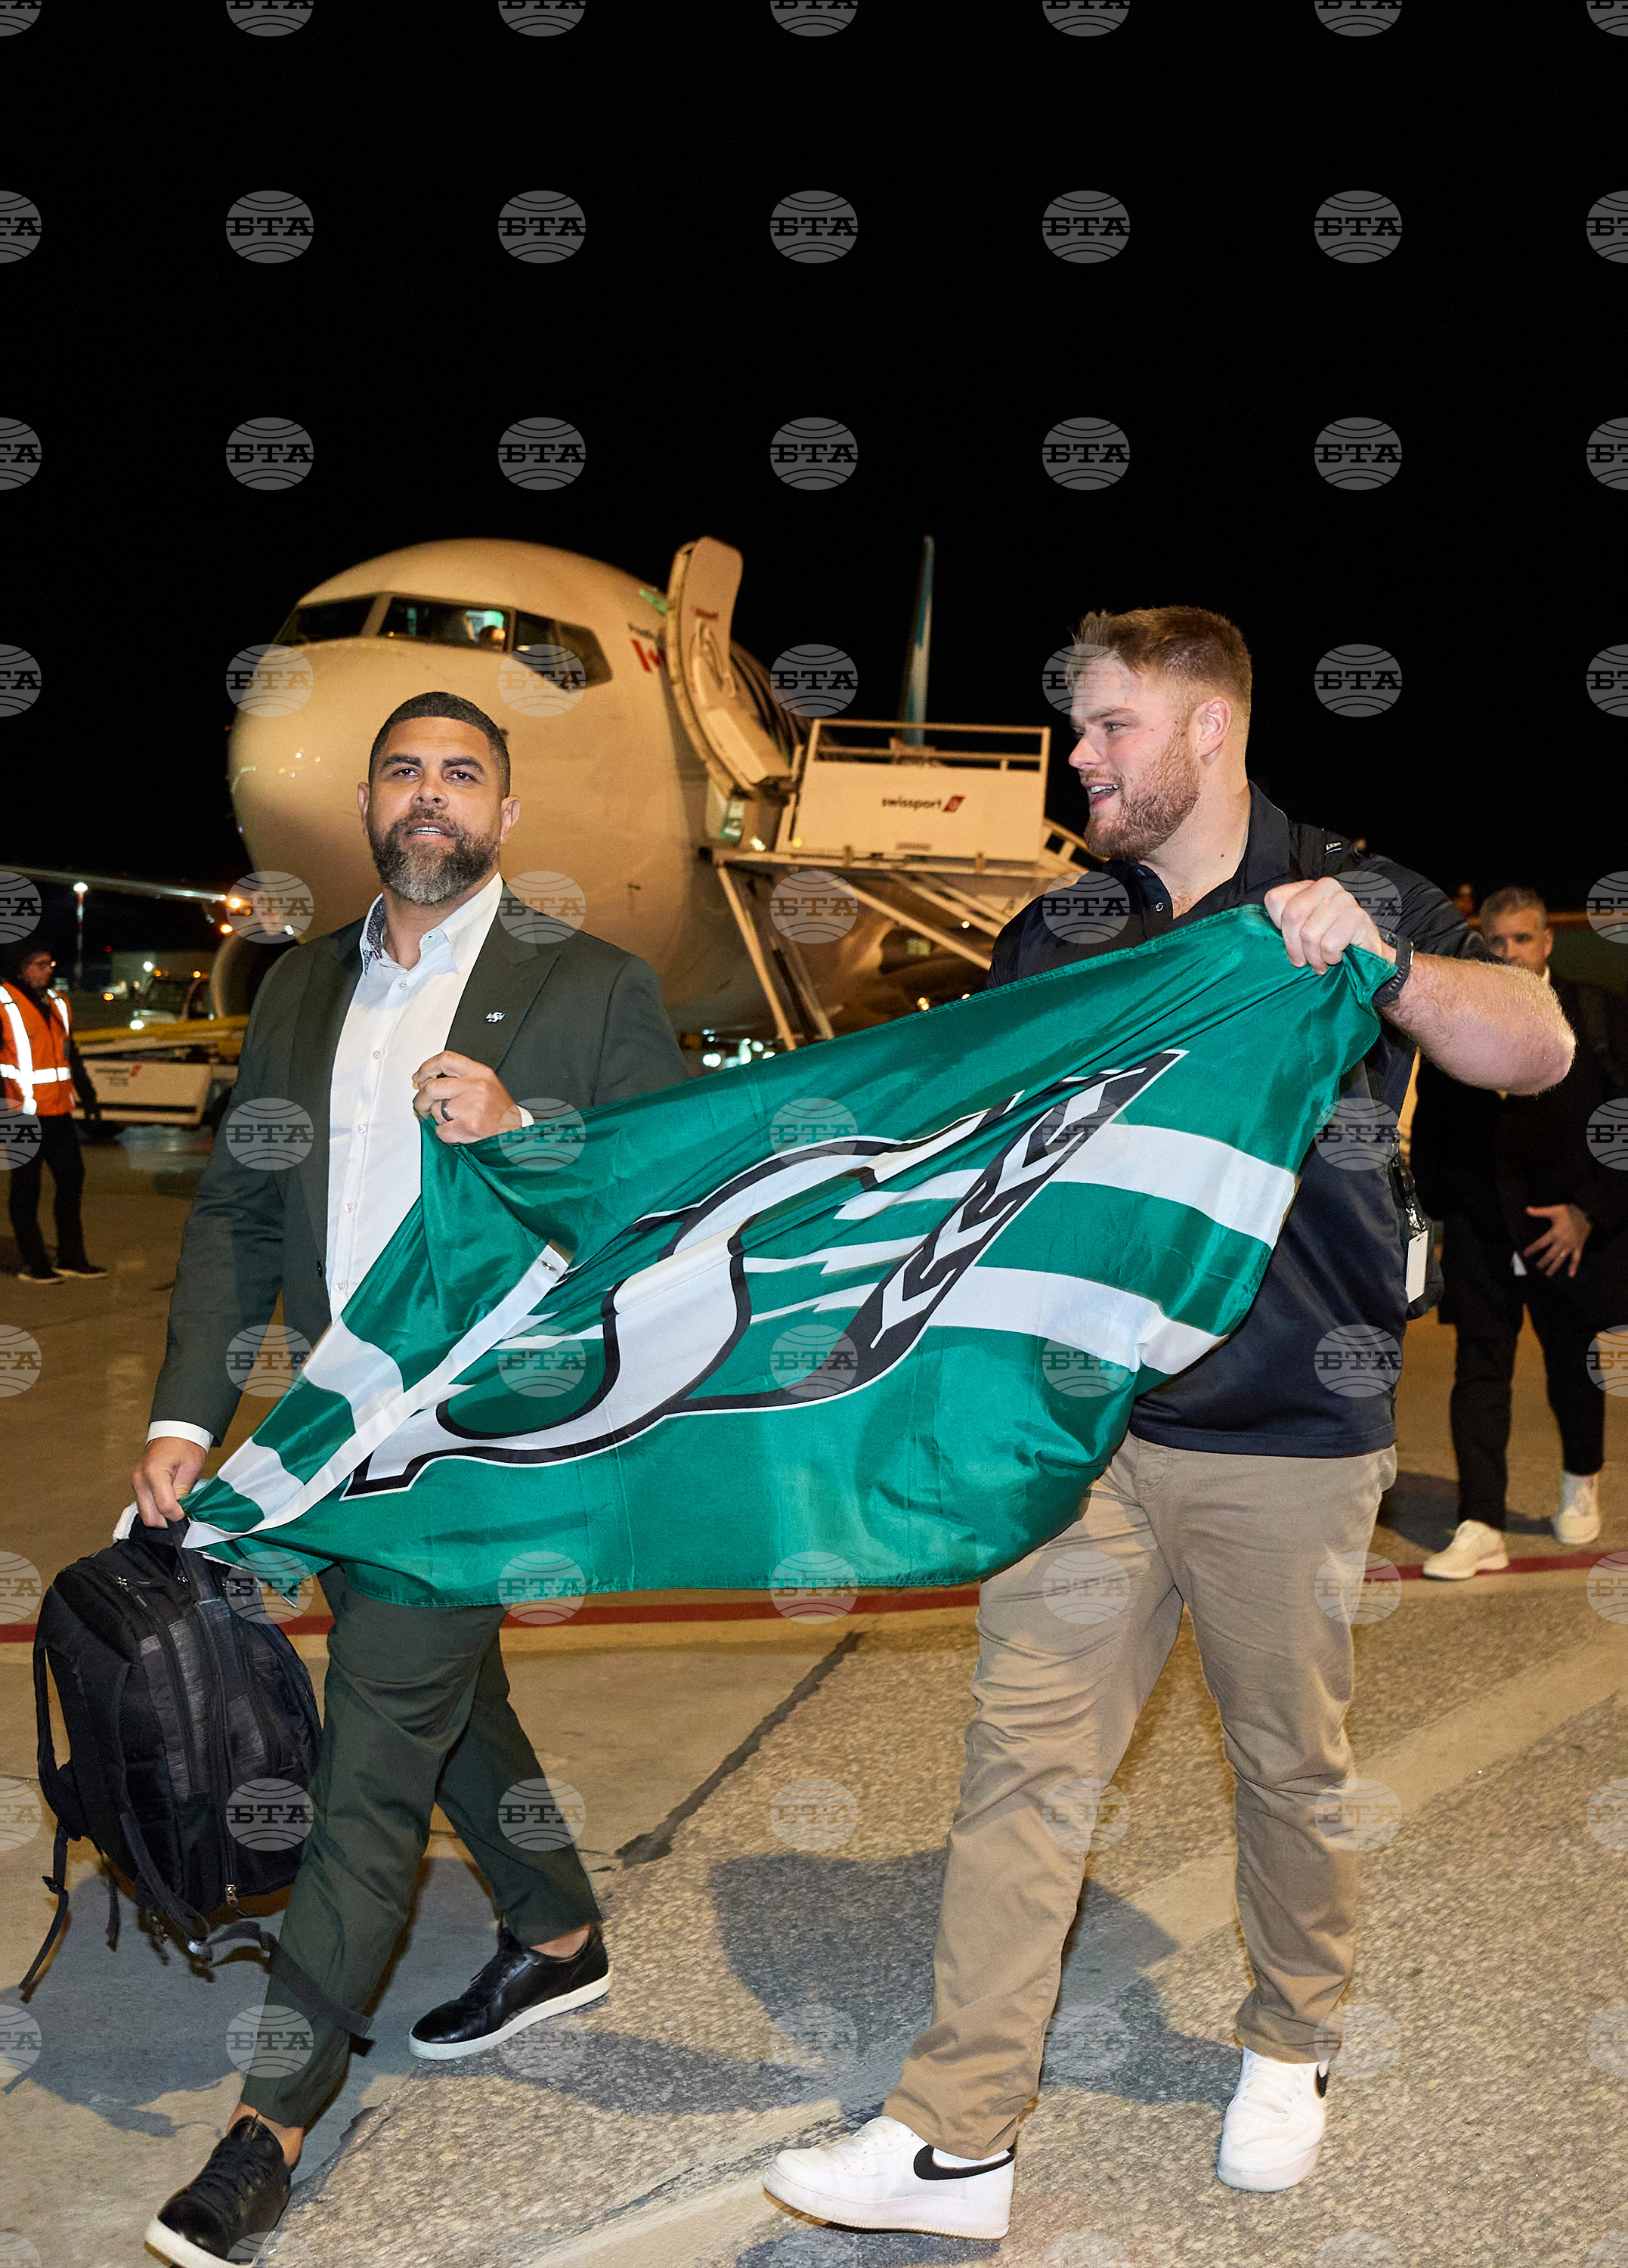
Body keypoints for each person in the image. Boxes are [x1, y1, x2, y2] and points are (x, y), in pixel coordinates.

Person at [766, 607, 1572, 2241]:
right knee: (1023, 1766)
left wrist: (1390, 964)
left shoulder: (1356, 886)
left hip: (1286, 1431)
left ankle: (1293, 2044)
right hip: (1081, 1438)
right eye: (1079, 729)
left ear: (1209, 731)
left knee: (1288, 1765)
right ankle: (958, 2134)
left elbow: (1535, 1048)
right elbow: (958, 1150)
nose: (1079, 758)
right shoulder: (1059, 929)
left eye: (1109, 729)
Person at [132, 691, 688, 2268]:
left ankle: (271, 2124)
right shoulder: (304, 989)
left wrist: (528, 1137)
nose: (429, 797)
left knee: (371, 1753)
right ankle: (560, 1928)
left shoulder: (593, 988)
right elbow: (242, 1220)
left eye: (463, 775)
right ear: (370, 805)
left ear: (506, 815)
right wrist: (189, 1415)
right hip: (335, 1430)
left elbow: (665, 1217)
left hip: (486, 1438)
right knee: (446, 1707)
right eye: (404, 772)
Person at [1410, 885, 1627, 1576]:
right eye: (1494, 942)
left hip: (1574, 1232)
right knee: (1479, 1374)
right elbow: (1437, 1130)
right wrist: (1443, 1215)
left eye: (1520, 940)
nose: (1506, 953)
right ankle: (1480, 1524)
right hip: (1482, 1231)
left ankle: (1581, 1479)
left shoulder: (1598, 1014)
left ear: (1547, 943)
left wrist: (1588, 1211)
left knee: (1573, 1368)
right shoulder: (1459, 1015)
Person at [1, 936, 107, 1282]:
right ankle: (35, 1263)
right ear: (21, 968)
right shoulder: (3, 1002)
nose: (48, 971)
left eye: (50, 964)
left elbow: (69, 1054)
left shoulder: (59, 1003)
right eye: (40, 965)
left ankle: (71, 1257)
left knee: (72, 1180)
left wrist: (88, 1095)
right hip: (20, 1113)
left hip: (58, 1112)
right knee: (26, 1190)